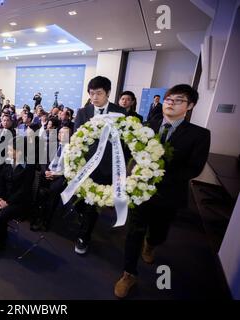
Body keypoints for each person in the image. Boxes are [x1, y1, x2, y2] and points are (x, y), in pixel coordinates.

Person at [114, 84, 211, 298]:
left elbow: (194, 168)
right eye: (169, 99)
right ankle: (128, 273)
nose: (171, 103)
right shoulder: (149, 125)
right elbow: (133, 152)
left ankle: (151, 244)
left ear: (190, 105)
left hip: (169, 194)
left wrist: (157, 173)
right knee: (134, 231)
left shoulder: (199, 134)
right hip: (140, 192)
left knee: (159, 231)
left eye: (178, 100)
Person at [72, 76, 126, 256]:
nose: (95, 97)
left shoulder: (120, 113)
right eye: (92, 93)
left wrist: (120, 169)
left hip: (106, 167)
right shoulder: (83, 112)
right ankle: (84, 218)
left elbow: (126, 143)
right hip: (84, 166)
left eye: (99, 93)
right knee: (80, 201)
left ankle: (84, 236)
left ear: (108, 93)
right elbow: (76, 140)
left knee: (92, 204)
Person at [0, 137, 36, 260]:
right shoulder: (7, 161)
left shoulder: (29, 166)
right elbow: (1, 181)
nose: (8, 152)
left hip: (19, 201)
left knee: (0, 217)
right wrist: (0, 197)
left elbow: (24, 190)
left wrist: (8, 202)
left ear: (20, 152)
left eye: (10, 150)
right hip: (4, 196)